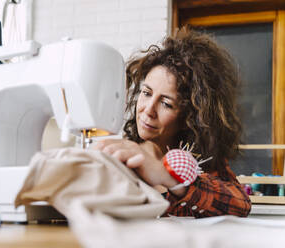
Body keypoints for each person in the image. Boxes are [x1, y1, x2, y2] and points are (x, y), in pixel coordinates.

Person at [94, 27, 251, 218]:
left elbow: (241, 204)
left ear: (189, 117)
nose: (148, 110)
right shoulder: (123, 156)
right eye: (146, 93)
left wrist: (171, 179)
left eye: (166, 104)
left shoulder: (203, 164)